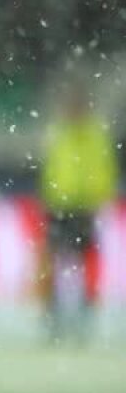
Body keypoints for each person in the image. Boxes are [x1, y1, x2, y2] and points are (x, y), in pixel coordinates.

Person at [39, 82, 119, 342]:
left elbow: (103, 169)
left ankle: (84, 316)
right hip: (59, 205)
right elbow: (52, 169)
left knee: (82, 262)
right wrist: (50, 196)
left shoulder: (94, 136)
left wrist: (98, 197)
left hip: (83, 207)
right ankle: (53, 317)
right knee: (53, 261)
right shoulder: (62, 133)